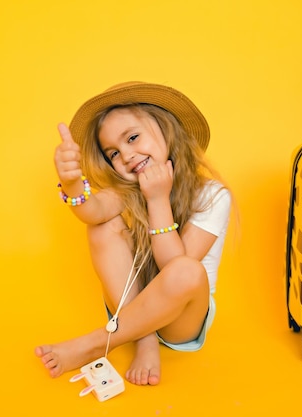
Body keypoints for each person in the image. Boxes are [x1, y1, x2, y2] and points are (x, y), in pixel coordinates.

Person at [35, 81, 232, 386]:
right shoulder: (128, 189)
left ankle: (97, 343)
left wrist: (157, 199)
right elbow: (92, 211)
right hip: (133, 304)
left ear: (168, 130)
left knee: (186, 271)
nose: (126, 155)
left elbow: (175, 269)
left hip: (182, 317)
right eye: (113, 152)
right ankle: (144, 340)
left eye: (133, 138)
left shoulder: (212, 195)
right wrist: (72, 183)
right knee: (102, 228)